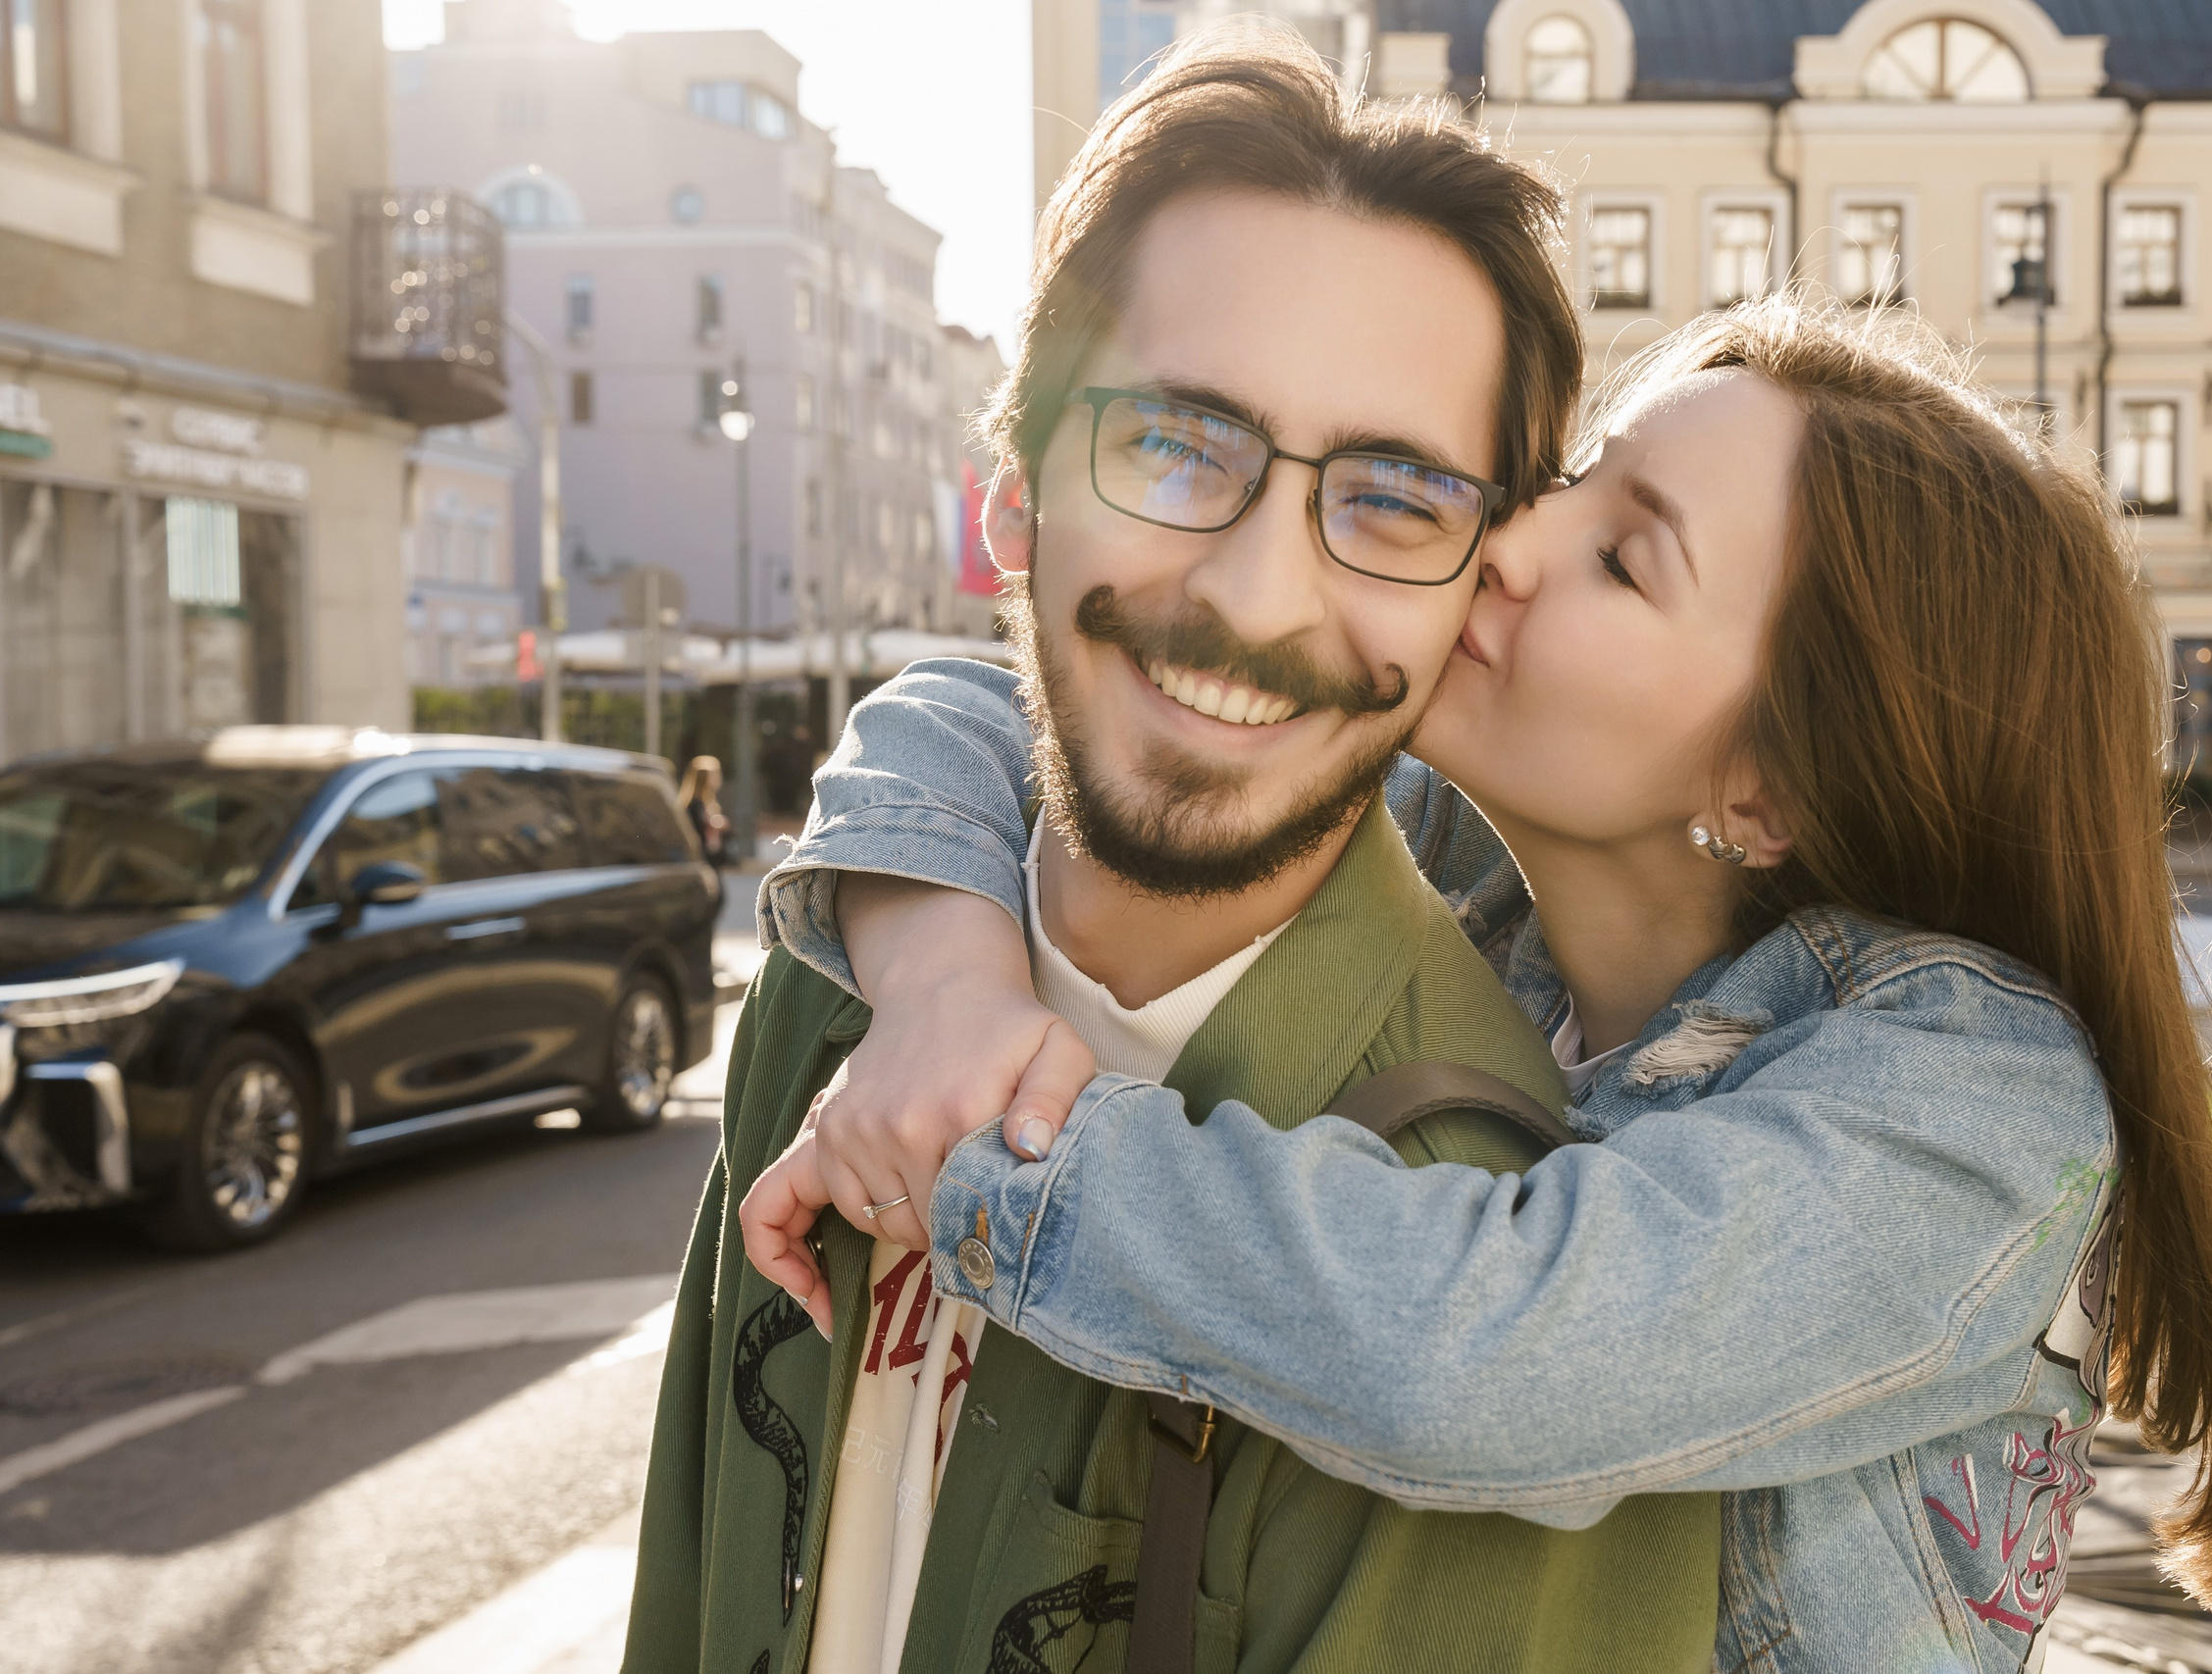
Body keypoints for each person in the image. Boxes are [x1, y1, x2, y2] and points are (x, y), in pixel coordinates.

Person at [740, 294, 2212, 1670]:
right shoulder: (1482, 877)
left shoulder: (1972, 1090)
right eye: (1572, 481)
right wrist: (944, 985)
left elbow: (1479, 1355)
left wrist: (985, 1158)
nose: (1505, 542)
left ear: (1769, 784)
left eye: (1623, 558)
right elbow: (983, 709)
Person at [621, 32, 1721, 1674]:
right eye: (1176, 442)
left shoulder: (1466, 1248)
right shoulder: (835, 984)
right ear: (1014, 494)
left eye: (1394, 496)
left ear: (1475, 587)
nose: (1261, 596)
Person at [677, 753, 729, 868]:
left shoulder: (709, 803)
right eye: (714, 775)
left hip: (711, 858)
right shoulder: (693, 805)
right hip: (700, 859)